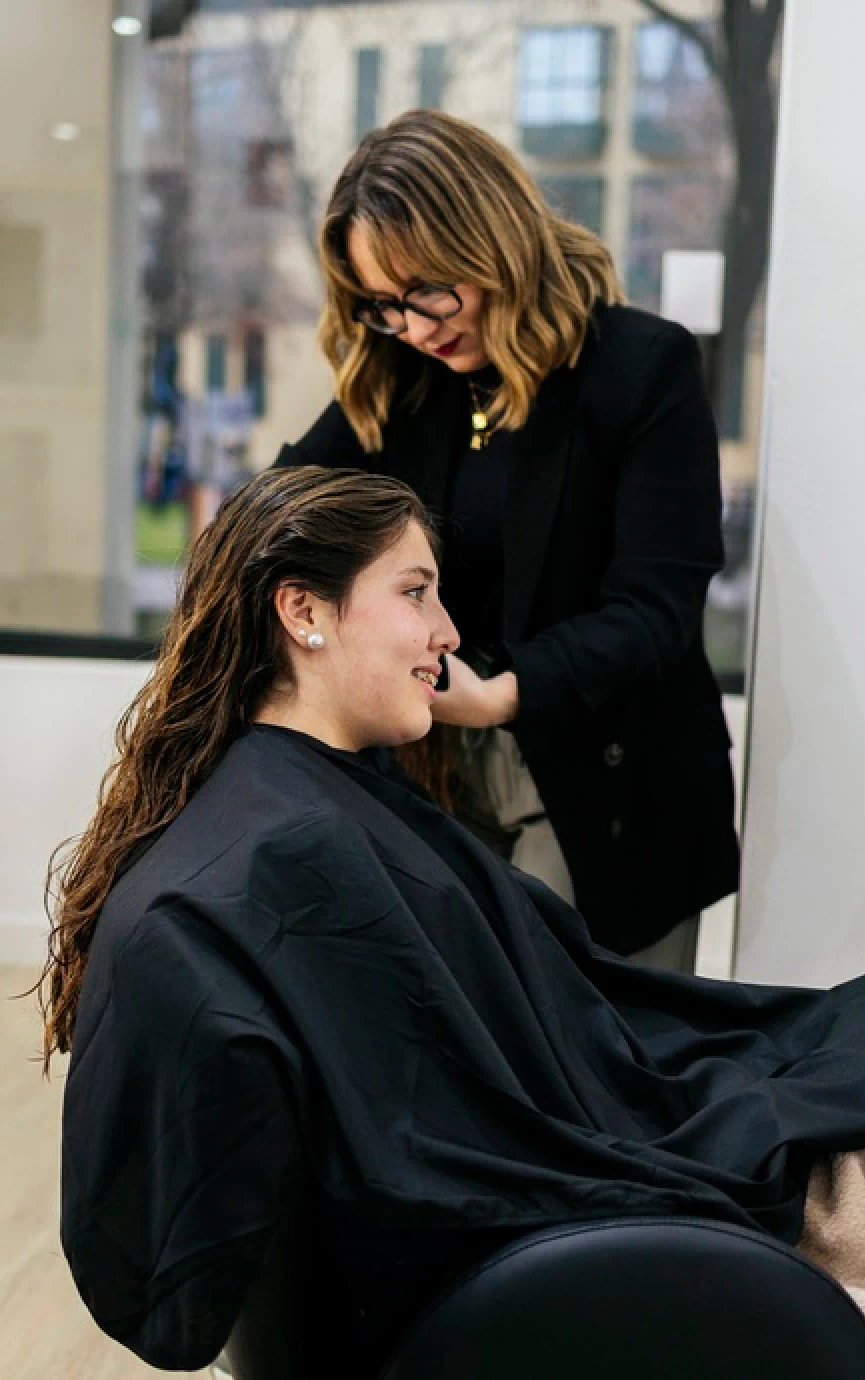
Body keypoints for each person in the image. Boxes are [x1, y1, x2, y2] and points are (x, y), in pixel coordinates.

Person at [44, 467, 865, 1380]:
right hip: (543, 1218)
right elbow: (445, 1130)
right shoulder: (286, 850)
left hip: (603, 1118)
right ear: (303, 611)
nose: (446, 630)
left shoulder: (288, 807)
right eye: (415, 591)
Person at [273, 110, 735, 971]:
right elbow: (275, 513)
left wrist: (497, 695)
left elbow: (654, 616)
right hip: (436, 767)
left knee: (599, 1066)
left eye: (429, 290)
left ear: (492, 242)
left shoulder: (641, 369)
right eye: (383, 305)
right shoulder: (406, 380)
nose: (412, 326)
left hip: (605, 785)